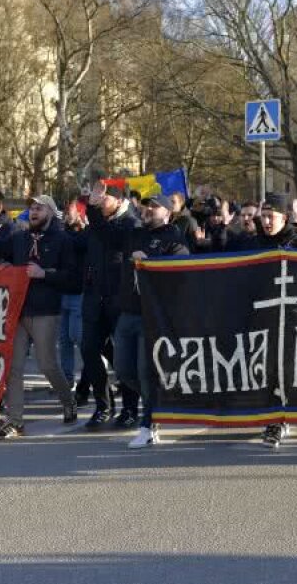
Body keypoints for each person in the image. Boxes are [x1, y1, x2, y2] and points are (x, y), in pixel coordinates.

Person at [0, 194, 79, 439]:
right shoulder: (20, 238)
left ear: (51, 212)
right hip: (19, 309)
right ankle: (15, 421)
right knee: (13, 366)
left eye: (39, 208)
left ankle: (68, 401)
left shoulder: (62, 240)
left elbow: (72, 278)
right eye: (31, 208)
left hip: (45, 310)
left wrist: (44, 274)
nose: (33, 212)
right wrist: (4, 262)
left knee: (47, 364)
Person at [116, 194, 190, 448]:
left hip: (153, 316)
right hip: (128, 312)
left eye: (155, 207)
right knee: (123, 370)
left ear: (168, 213)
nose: (148, 209)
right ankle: (158, 403)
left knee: (145, 372)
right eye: (147, 205)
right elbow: (105, 231)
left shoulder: (175, 239)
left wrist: (150, 261)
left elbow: (180, 274)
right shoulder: (134, 233)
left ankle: (149, 425)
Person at [75, 182, 143, 429]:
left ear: (119, 200)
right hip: (94, 300)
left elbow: (111, 238)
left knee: (123, 357)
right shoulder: (96, 224)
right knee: (89, 350)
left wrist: (91, 209)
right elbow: (80, 247)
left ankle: (130, 408)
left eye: (104, 198)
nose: (99, 202)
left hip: (120, 301)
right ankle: (103, 405)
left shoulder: (131, 224)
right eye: (97, 198)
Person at [246, 194, 297, 448]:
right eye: (263, 216)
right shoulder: (254, 243)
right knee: (266, 368)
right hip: (261, 314)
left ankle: (279, 420)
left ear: (284, 217)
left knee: (285, 368)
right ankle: (273, 416)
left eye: (270, 217)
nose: (266, 222)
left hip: (291, 315)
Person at [57, 200, 87, 387]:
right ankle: (67, 379)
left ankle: (90, 373)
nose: (66, 215)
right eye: (66, 211)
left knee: (77, 335)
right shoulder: (63, 232)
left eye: (70, 212)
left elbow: (77, 243)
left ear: (80, 213)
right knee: (64, 339)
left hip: (79, 293)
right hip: (63, 292)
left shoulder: (85, 234)